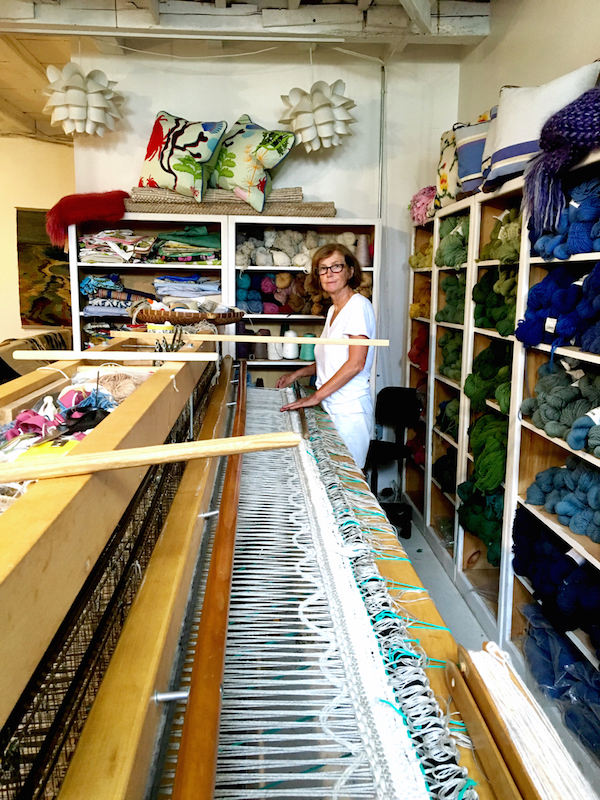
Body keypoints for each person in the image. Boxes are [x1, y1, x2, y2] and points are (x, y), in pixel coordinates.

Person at [276, 243, 376, 468]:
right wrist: (297, 374)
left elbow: (356, 363)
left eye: (336, 267)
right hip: (331, 407)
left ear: (350, 271)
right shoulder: (333, 310)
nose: (329, 274)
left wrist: (315, 397)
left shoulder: (358, 306)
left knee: (345, 483)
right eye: (323, 268)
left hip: (348, 412)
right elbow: (330, 359)